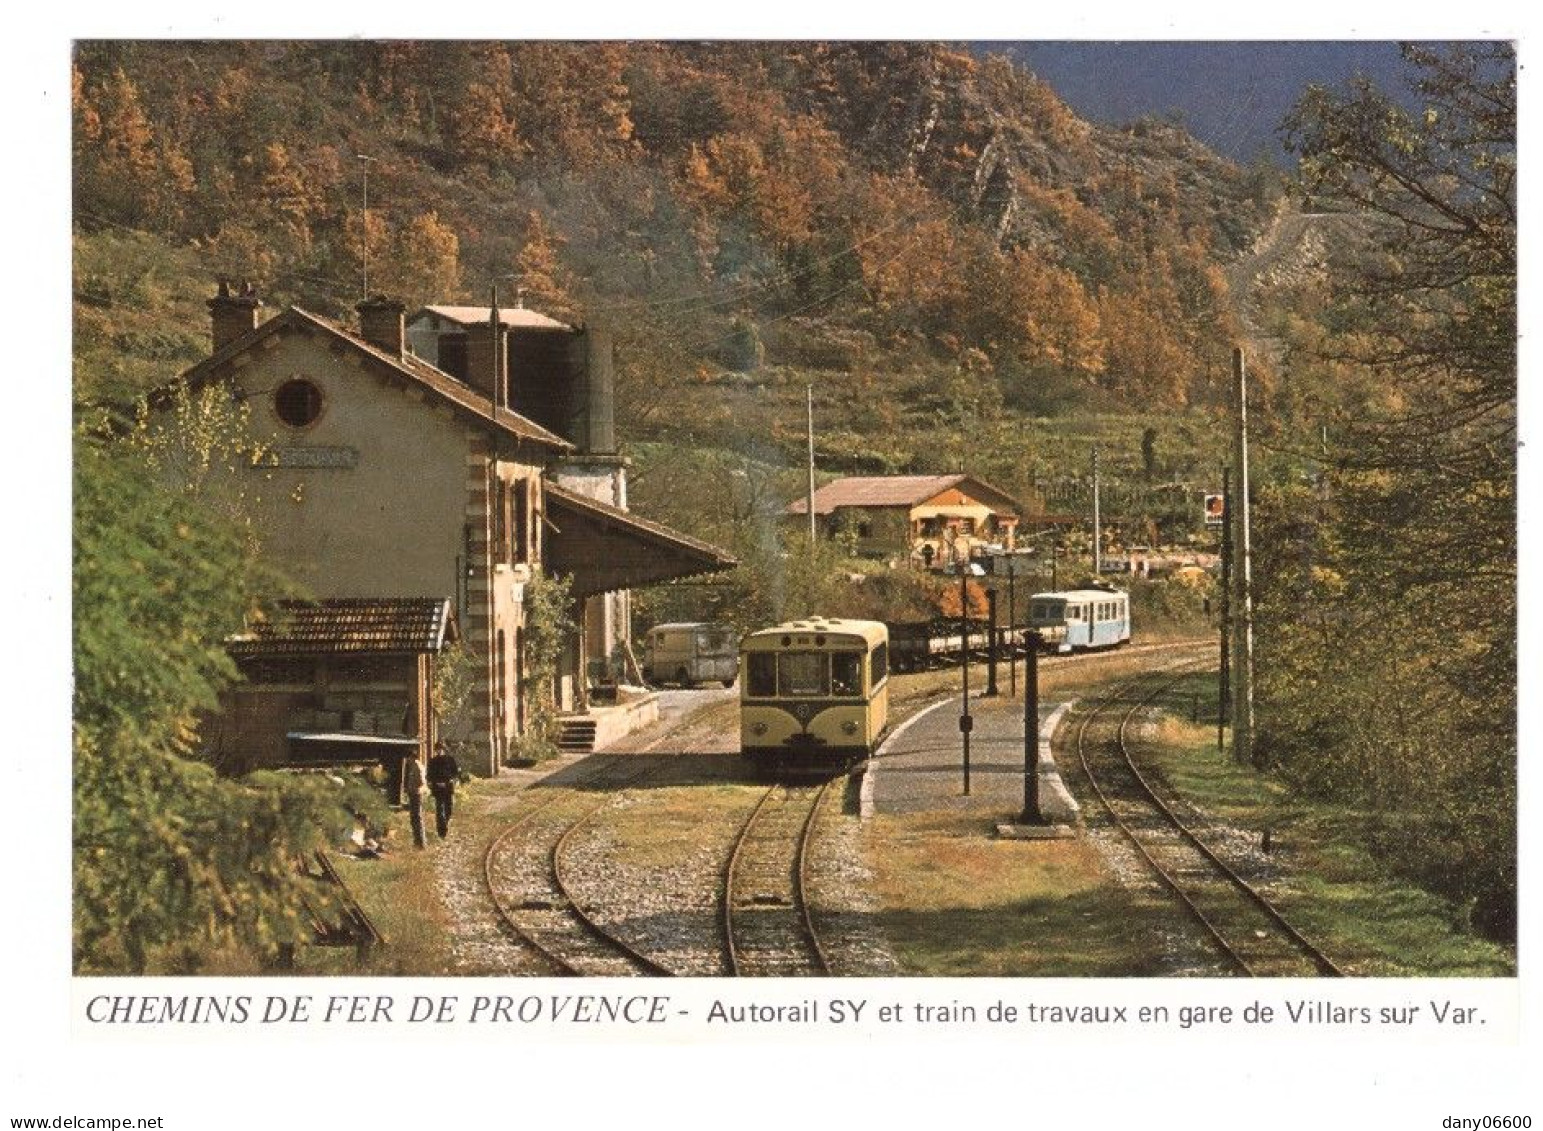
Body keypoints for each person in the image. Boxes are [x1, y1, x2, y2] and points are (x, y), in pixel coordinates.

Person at [427, 742, 461, 839]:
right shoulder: (432, 761)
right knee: (439, 809)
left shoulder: (450, 760)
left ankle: (445, 823)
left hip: (448, 787)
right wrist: (434, 782)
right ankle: (441, 831)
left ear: (443, 750)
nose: (439, 751)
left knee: (448, 809)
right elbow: (429, 775)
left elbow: (455, 772)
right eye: (437, 749)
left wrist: (452, 780)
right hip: (438, 788)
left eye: (440, 749)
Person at [403, 750, 428, 849]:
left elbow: (421, 782)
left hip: (416, 794)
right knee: (414, 818)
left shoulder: (416, 766)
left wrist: (413, 788)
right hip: (414, 793)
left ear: (411, 757)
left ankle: (420, 842)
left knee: (416, 818)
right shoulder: (415, 765)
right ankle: (418, 841)